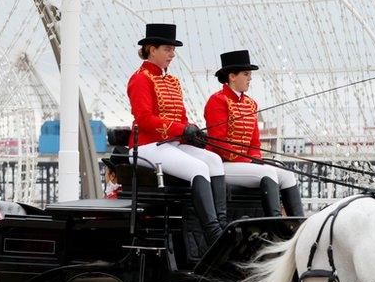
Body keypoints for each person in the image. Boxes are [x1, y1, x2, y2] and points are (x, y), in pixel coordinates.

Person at [128, 23, 226, 243]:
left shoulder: (172, 81)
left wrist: (191, 132)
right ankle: (213, 233)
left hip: (172, 144)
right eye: (167, 49)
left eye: (173, 50)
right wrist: (182, 129)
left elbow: (180, 117)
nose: (172, 54)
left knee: (214, 160)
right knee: (198, 167)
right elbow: (144, 119)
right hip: (147, 146)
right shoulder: (141, 78)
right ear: (152, 49)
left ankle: (222, 223)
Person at [204, 50, 303, 217]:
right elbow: (218, 142)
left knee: (288, 175)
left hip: (245, 163)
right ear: (232, 76)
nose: (250, 78)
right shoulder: (217, 101)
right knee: (268, 172)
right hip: (222, 165)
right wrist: (249, 160)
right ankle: (275, 224)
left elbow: (254, 142)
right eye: (246, 74)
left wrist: (254, 158)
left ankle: (298, 225)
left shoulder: (251, 104)